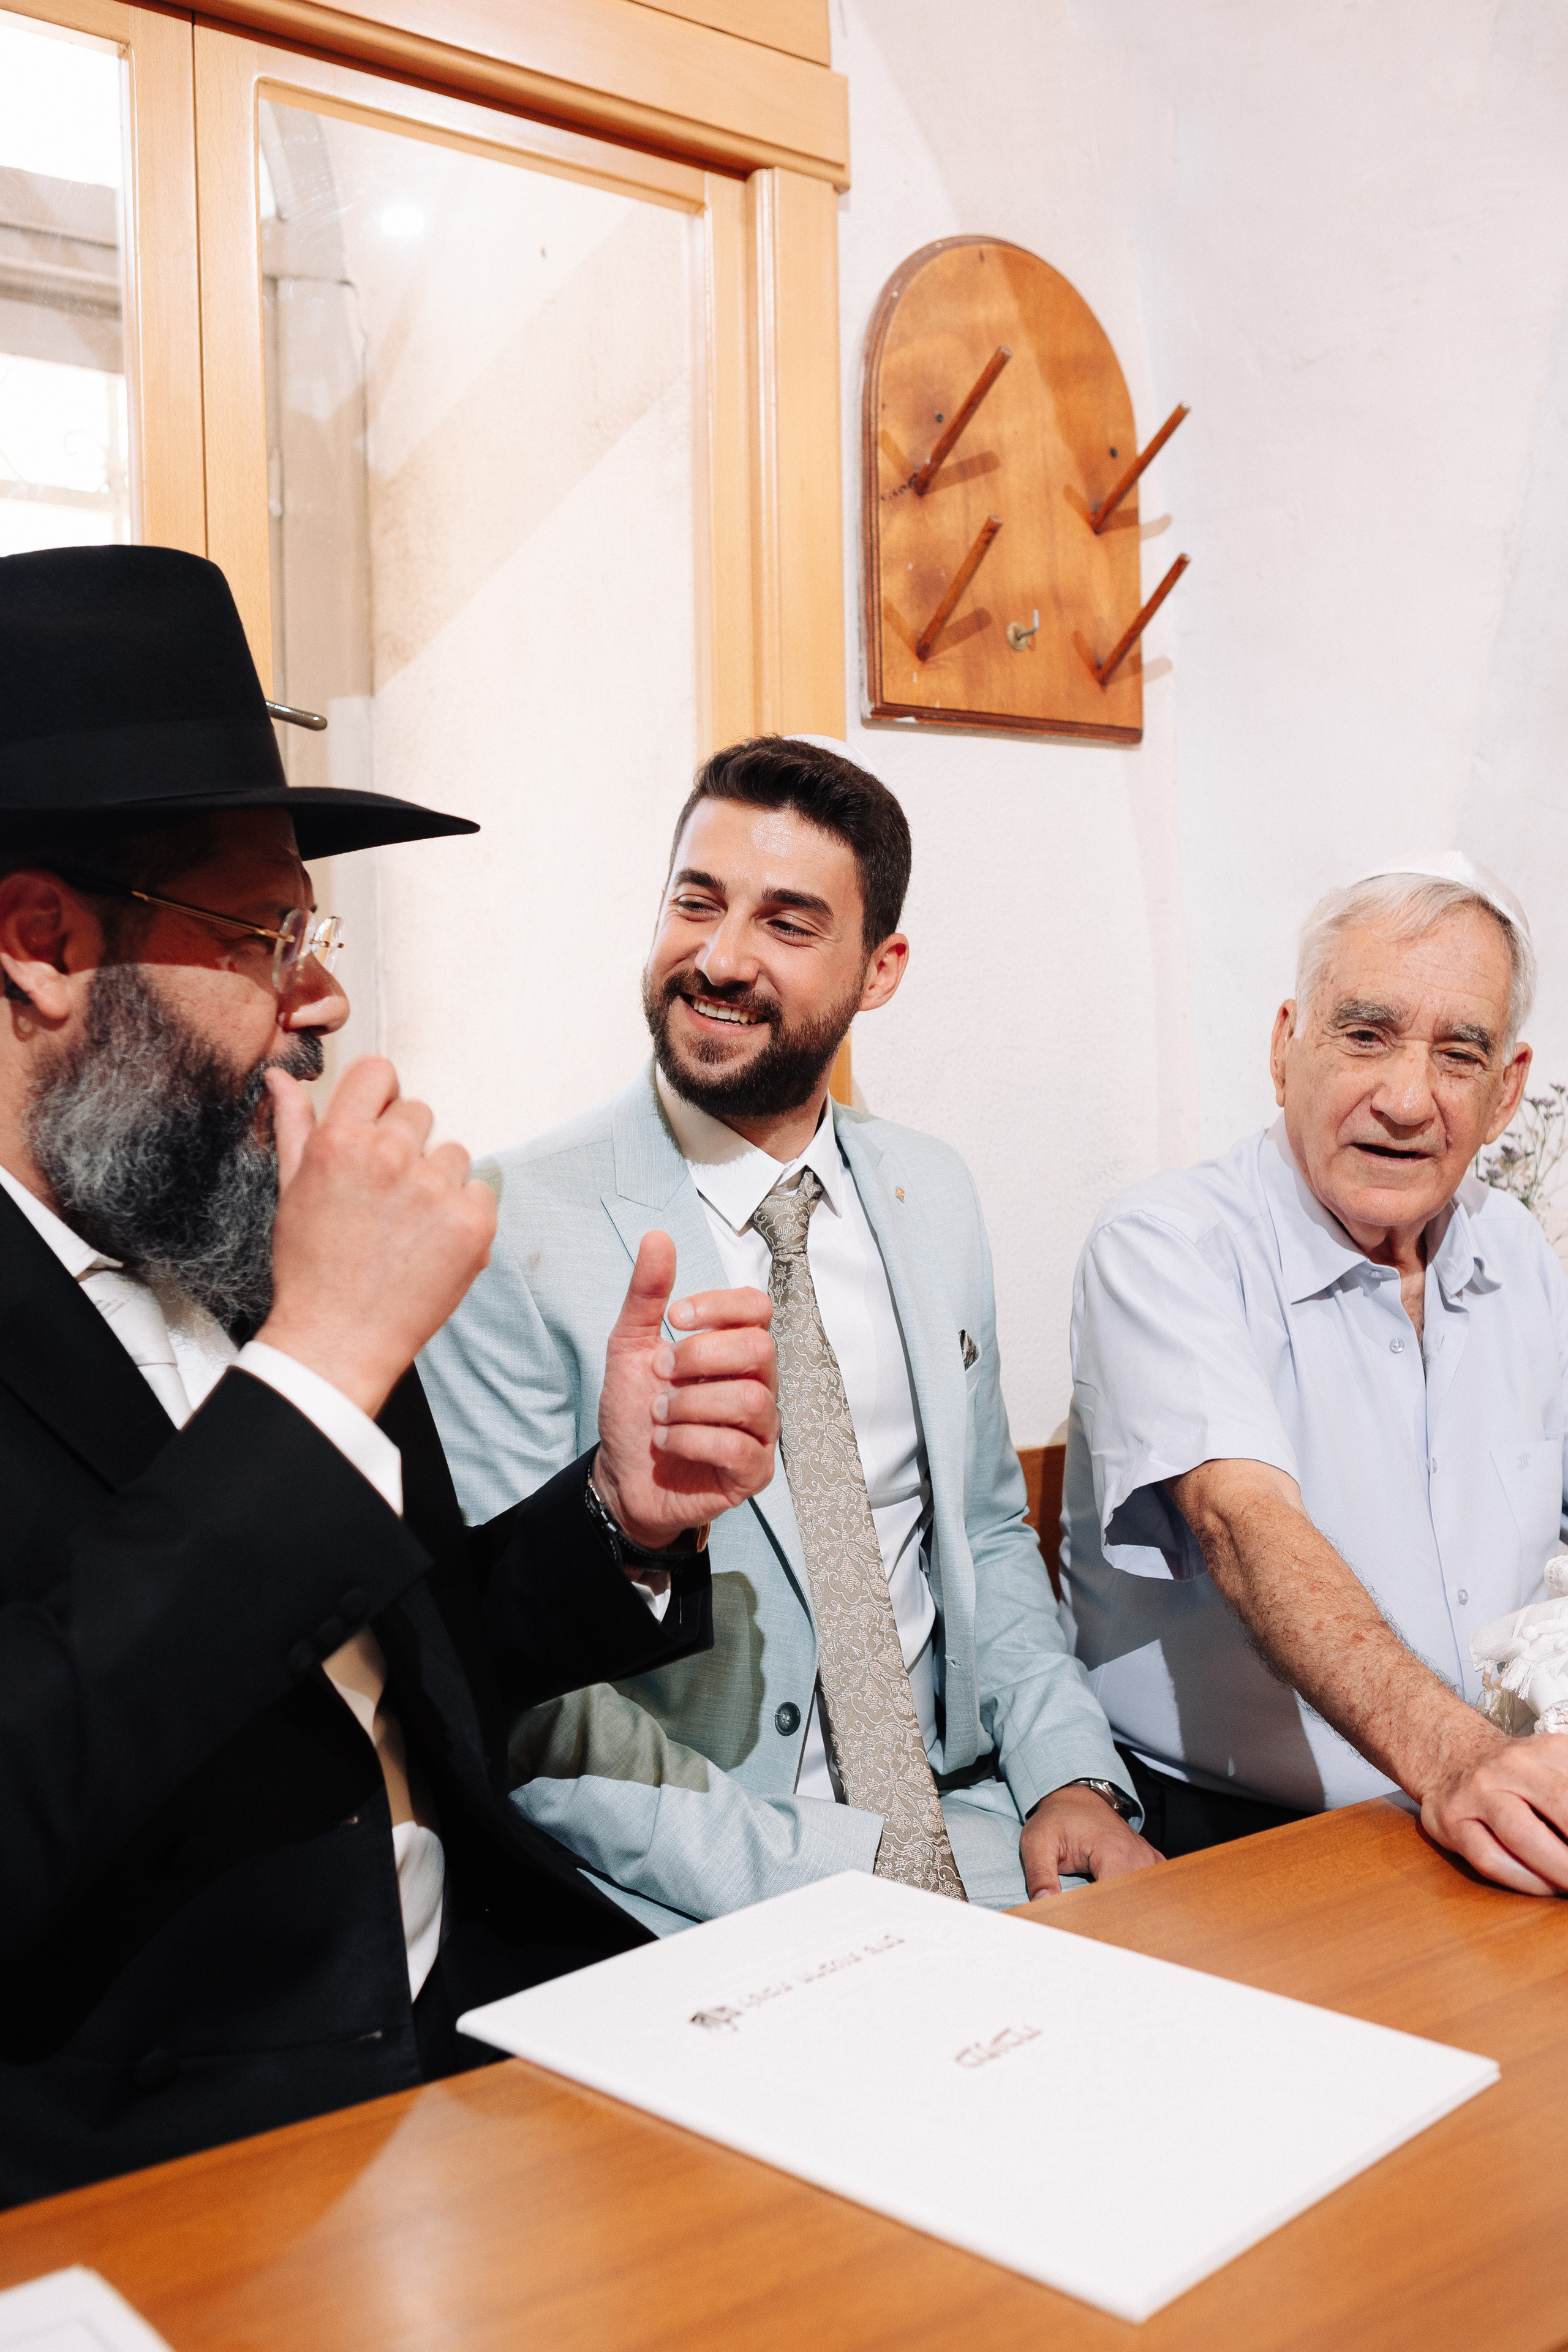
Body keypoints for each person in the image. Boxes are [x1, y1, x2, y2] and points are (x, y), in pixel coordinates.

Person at [0, 545, 778, 2206]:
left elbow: (401, 1679)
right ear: (44, 944)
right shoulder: (310, 1286)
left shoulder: (225, 1226)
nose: (324, 992)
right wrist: (327, 1360)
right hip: (195, 2165)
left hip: (495, 2039)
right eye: (265, 928)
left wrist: (621, 1527)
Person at [420, 734, 1157, 1929]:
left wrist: (1067, 1776)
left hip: (981, 1835)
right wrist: (866, 1880)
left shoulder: (932, 1194)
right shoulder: (505, 1228)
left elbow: (978, 1528)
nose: (718, 958)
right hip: (675, 1901)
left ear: (879, 968)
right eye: (694, 902)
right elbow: (525, 1698)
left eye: (786, 922)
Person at [1063, 852, 1568, 1893]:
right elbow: (1243, 1526)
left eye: (1459, 1055)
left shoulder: (1517, 1251)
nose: (1406, 1099)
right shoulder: (1168, 1243)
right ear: (1286, 1047)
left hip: (1477, 1818)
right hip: (1232, 1842)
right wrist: (1460, 1760)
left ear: (1508, 1090)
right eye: (1366, 1036)